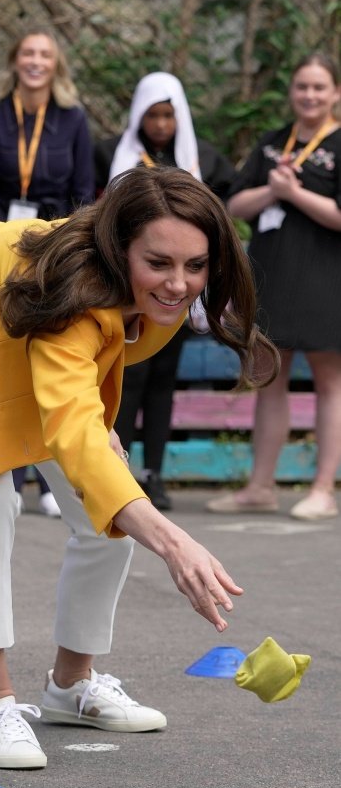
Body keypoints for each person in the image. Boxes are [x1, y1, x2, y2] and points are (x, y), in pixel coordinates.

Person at [0, 167, 279, 771]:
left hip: (18, 327)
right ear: (120, 250)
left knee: (105, 499)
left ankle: (71, 686)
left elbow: (85, 377)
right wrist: (173, 543)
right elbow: (70, 384)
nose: (178, 283)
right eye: (160, 263)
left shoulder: (155, 292)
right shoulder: (75, 291)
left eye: (196, 266)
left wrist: (94, 435)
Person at [206, 52, 341, 521]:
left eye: (320, 87)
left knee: (330, 383)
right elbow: (235, 204)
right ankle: (261, 485)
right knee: (269, 379)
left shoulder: (339, 144)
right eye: (302, 86)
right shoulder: (271, 143)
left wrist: (295, 193)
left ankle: (323, 489)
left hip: (327, 279)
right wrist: (272, 189)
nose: (309, 95)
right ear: (292, 91)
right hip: (273, 276)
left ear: (336, 93)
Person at [95, 72, 236, 509]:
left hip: (175, 295)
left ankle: (153, 473)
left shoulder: (200, 159)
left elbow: (225, 205)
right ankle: (115, 469)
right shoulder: (111, 154)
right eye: (152, 115)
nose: (160, 125)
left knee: (162, 384)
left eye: (168, 116)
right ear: (139, 114)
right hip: (128, 288)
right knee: (126, 378)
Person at [0, 26, 95, 517]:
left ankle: (49, 479)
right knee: (5, 352)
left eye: (45, 54)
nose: (36, 61)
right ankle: (11, 472)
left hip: (56, 251)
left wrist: (63, 245)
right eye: (28, 53)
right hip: (5, 247)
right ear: (14, 61)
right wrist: (1, 242)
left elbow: (85, 188)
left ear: (55, 65)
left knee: (49, 351)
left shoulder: (73, 120)